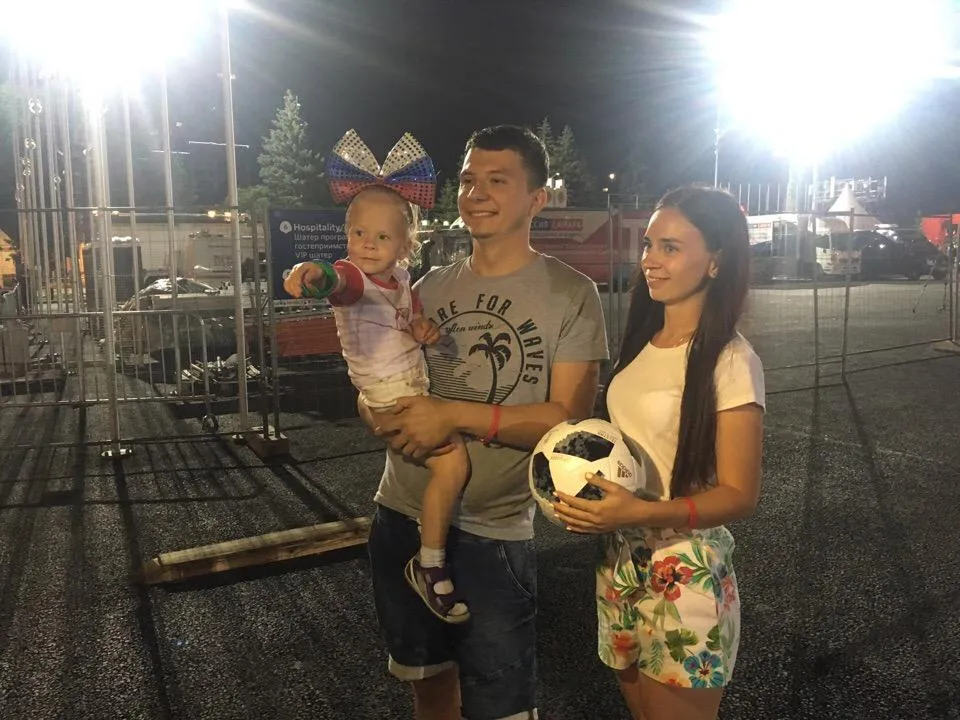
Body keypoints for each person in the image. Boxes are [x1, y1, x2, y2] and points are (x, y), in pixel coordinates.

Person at [363, 125, 609, 720]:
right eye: (469, 179)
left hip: (493, 533)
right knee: (428, 687)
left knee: (502, 706)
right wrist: (375, 410)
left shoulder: (572, 293)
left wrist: (452, 414)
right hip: (400, 514)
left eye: (497, 180)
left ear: (537, 198)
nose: (476, 193)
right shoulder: (424, 288)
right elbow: (380, 387)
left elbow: (566, 421)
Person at [554, 185, 765, 720]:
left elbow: (739, 495)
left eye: (670, 247)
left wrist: (639, 512)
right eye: (648, 244)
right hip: (619, 561)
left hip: (685, 570)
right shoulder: (641, 345)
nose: (649, 259)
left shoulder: (731, 360)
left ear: (715, 261)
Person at [284, 131, 473, 624]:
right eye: (358, 233)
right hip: (392, 397)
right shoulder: (354, 277)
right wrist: (310, 272)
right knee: (453, 465)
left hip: (406, 389)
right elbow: (333, 280)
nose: (367, 244)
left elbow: (410, 321)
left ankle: (427, 545)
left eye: (382, 237)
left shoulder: (403, 280)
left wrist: (424, 329)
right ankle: (430, 562)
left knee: (443, 461)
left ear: (406, 245)